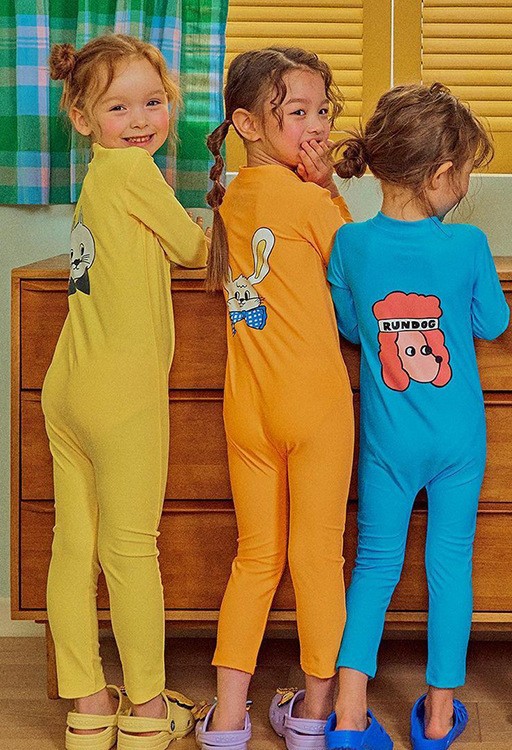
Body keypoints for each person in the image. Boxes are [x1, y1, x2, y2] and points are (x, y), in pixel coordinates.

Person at [323, 83, 510, 750]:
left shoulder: (349, 244)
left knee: (374, 567)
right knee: (449, 566)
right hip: (459, 440)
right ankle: (437, 715)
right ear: (440, 175)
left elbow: (352, 328)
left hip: (387, 442)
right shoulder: (468, 245)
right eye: (466, 173)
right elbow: (495, 322)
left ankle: (349, 715)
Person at [43, 33, 209, 750]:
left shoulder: (96, 179)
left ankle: (87, 706)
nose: (141, 119)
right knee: (131, 550)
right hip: (123, 393)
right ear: (82, 118)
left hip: (69, 384)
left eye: (153, 101)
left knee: (74, 545)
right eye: (119, 107)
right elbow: (195, 249)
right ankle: (145, 709)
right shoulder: (135, 171)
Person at [195, 47, 355, 750]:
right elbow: (361, 269)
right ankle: (314, 716)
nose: (317, 127)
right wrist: (331, 189)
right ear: (247, 123)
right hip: (315, 406)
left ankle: (229, 717)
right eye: (297, 113)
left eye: (323, 111)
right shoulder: (309, 200)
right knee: (317, 559)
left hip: (248, 410)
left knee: (255, 558)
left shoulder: (230, 199)